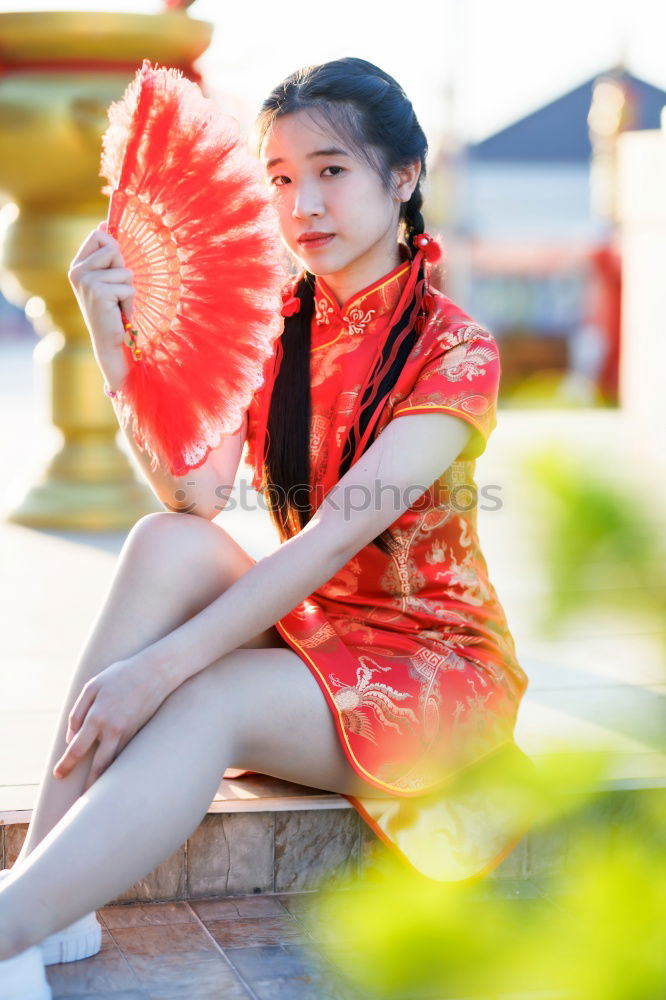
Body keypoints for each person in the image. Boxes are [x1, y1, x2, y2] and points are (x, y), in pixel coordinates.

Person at [0, 56, 535, 992]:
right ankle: (50, 897)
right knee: (164, 543)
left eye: (331, 170)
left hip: (435, 667)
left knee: (209, 696)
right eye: (281, 179)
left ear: (402, 177)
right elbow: (193, 497)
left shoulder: (455, 349)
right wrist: (108, 336)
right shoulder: (280, 326)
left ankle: (9, 923)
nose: (302, 205)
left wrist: (158, 669)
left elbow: (334, 534)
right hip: (321, 632)